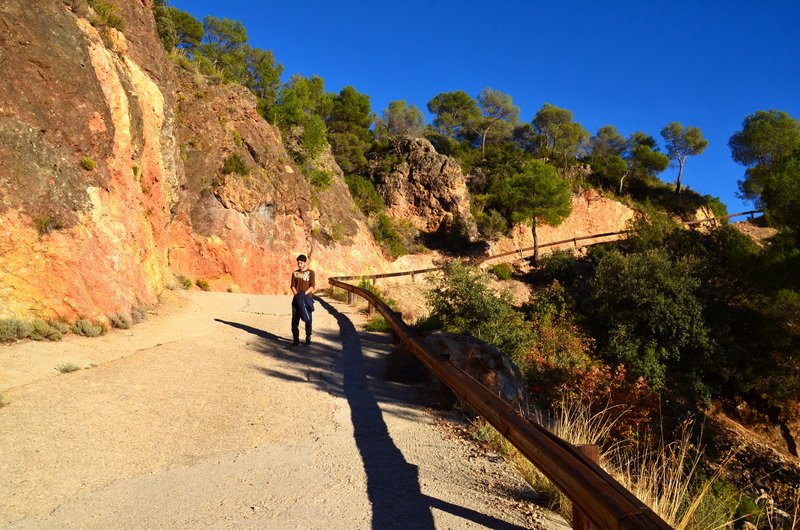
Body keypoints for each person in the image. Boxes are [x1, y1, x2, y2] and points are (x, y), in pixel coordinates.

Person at [290, 254, 315, 346]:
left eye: (301, 263)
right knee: (295, 320)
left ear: (305, 262)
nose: (299, 265)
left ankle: (308, 336)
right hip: (296, 300)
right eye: (298, 263)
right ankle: (295, 339)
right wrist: (297, 295)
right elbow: (292, 286)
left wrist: (303, 295)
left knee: (308, 319)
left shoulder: (311, 273)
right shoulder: (295, 273)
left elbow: (312, 286)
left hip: (307, 299)